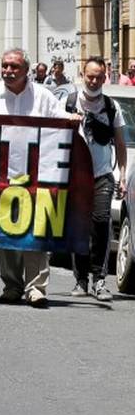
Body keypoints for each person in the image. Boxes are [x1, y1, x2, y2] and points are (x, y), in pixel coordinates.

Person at [0, 48, 70, 308]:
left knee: (36, 233)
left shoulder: (44, 97)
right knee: (6, 234)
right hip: (0, 176)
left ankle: (35, 288)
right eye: (5, 66)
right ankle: (12, 286)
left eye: (14, 66)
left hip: (37, 176)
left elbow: (61, 125)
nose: (8, 71)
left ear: (26, 70)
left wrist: (72, 119)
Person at [66, 57, 126, 301]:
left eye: (98, 76)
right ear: (83, 75)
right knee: (79, 228)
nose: (93, 80)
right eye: (89, 76)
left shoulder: (112, 107)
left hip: (102, 176)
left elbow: (121, 144)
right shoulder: (68, 102)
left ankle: (100, 280)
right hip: (75, 177)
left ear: (105, 77)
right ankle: (80, 281)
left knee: (101, 224)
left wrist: (122, 175)